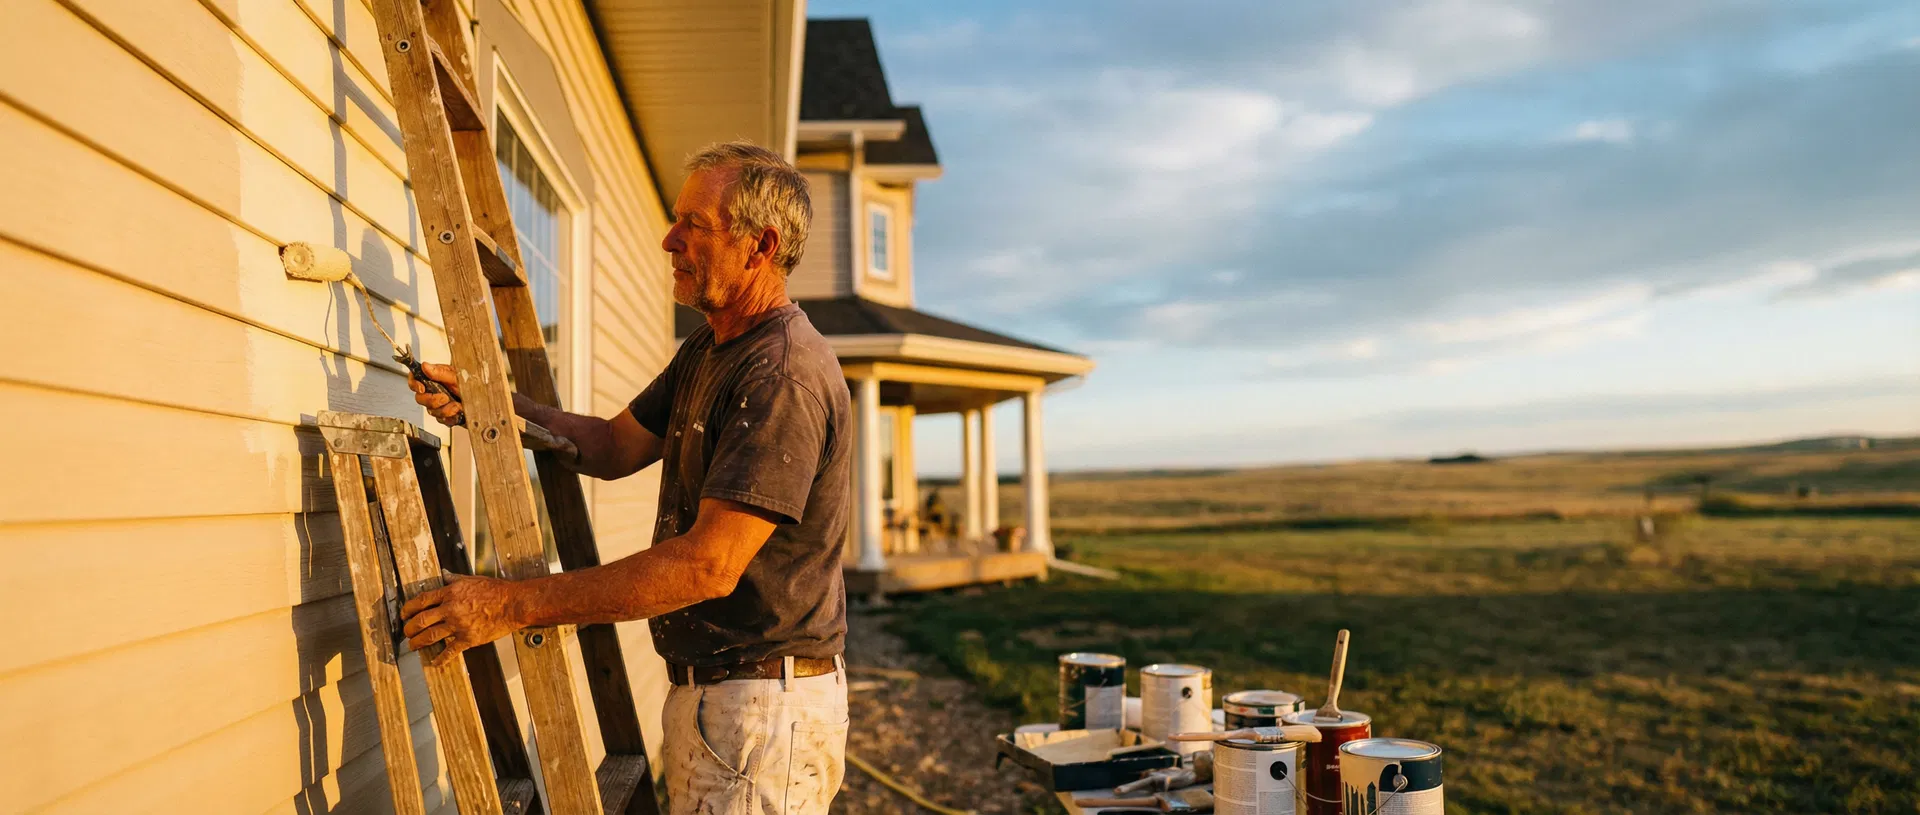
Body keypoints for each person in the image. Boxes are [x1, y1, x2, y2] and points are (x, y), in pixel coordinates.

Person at [400, 141, 852, 814]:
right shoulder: (710, 348)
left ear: (760, 245)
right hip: (724, 702)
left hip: (759, 714)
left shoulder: (781, 373)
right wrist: (498, 405)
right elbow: (613, 445)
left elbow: (707, 567)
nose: (669, 240)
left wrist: (506, 603)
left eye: (693, 224)